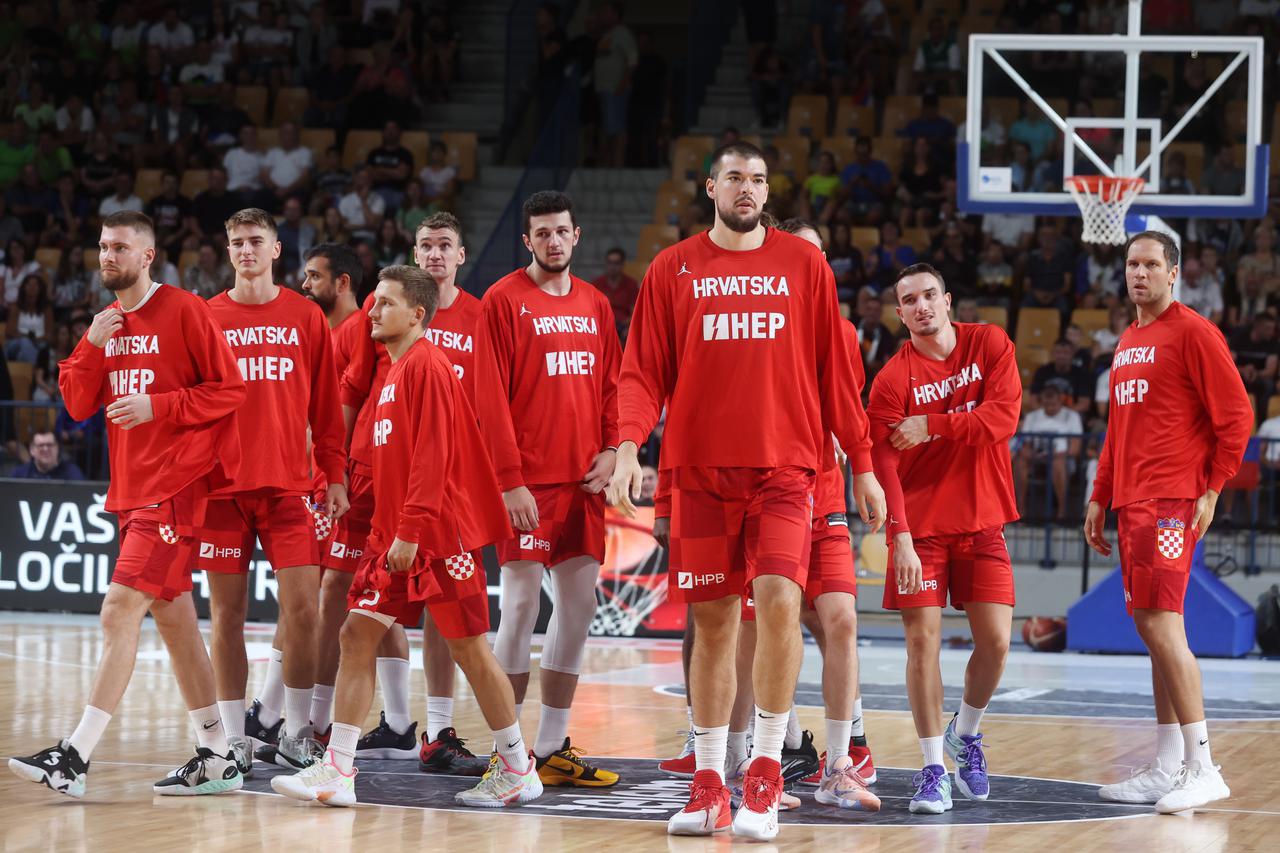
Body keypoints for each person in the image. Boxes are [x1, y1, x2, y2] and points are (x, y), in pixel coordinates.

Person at [606, 142, 884, 841]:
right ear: (710, 187)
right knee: (714, 623)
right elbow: (641, 373)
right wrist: (626, 444)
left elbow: (834, 373)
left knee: (781, 603)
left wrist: (863, 462)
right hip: (699, 473)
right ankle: (709, 781)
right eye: (735, 177)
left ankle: (763, 772)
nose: (747, 188)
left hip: (786, 469)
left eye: (758, 178)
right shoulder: (673, 269)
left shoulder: (804, 264)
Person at [270, 265, 541, 808]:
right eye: (372, 303)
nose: (371, 311)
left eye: (385, 304)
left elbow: (435, 456)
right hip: (395, 540)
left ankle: (517, 765)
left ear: (417, 314)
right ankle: (338, 770)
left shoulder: (428, 366)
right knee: (354, 634)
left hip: (439, 537)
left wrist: (411, 530)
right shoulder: (391, 373)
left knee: (469, 651)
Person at [8, 211, 246, 798]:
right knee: (177, 624)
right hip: (132, 491)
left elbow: (230, 389)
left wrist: (158, 407)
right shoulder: (105, 323)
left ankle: (74, 756)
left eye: (119, 246)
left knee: (118, 609)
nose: (107, 255)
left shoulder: (186, 310)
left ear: (148, 256)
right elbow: (77, 404)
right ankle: (217, 753)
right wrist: (90, 344)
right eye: (101, 246)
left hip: (176, 484)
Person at [1085, 231, 1251, 814]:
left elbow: (1237, 416)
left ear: (1174, 273)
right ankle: (1165, 765)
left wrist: (1211, 489)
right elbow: (1117, 432)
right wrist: (1098, 495)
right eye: (1132, 263)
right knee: (1151, 628)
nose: (1140, 273)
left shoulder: (1194, 332)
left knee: (1162, 626)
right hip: (1132, 500)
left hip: (1171, 500)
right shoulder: (1129, 338)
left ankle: (1203, 765)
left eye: (1152, 264)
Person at [474, 190, 623, 790]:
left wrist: (614, 449)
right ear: (527, 241)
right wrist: (508, 481)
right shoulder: (503, 300)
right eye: (542, 233)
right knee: (518, 608)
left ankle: (552, 744)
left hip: (584, 481)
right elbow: (489, 398)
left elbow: (615, 384)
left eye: (562, 231)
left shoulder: (595, 303)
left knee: (580, 608)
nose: (553, 241)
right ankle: (507, 754)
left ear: (576, 235)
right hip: (528, 484)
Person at [867, 262, 1021, 816]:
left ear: (948, 300)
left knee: (998, 643)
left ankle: (967, 732)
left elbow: (1001, 420)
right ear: (900, 312)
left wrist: (933, 423)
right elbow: (884, 466)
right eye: (909, 300)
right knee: (921, 644)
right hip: (922, 533)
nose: (921, 306)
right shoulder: (890, 381)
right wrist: (899, 537)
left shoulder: (991, 345)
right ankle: (933, 767)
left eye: (929, 295)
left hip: (983, 522)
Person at [198, 208, 348, 779]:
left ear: (276, 248)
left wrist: (333, 475)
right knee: (226, 617)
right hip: (222, 491)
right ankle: (234, 739)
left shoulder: (306, 317)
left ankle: (296, 732)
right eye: (236, 242)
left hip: (290, 489)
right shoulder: (206, 316)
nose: (245, 251)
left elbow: (326, 412)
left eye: (255, 241)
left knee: (305, 612)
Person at [353, 212, 490, 775]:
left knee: (461, 637)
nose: (435, 254)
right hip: (391, 494)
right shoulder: (386, 335)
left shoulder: (475, 321)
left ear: (461, 255)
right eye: (425, 246)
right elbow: (356, 390)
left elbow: (492, 409)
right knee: (357, 625)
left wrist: (506, 481)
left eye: (445, 246)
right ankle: (386, 732)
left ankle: (450, 733)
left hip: (444, 504)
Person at [293, 241, 364, 748]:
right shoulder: (321, 330)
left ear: (341, 282)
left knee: (329, 596)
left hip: (341, 481)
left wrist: (329, 474)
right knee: (345, 599)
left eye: (314, 276)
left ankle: (304, 717)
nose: (304, 284)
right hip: (326, 477)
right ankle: (295, 714)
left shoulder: (357, 330)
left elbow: (340, 417)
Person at [1014, 379, 1085, 520]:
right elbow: (1025, 445)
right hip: (1037, 458)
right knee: (1019, 463)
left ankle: (1062, 512)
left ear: (1061, 400)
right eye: (1047, 404)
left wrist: (1058, 454)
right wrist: (1029, 453)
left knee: (1058, 464)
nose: (1050, 408)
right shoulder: (1032, 417)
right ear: (1042, 401)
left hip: (1062, 458)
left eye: (1054, 404)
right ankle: (1020, 510)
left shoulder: (1072, 416)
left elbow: (1075, 449)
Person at [590, 246, 640, 339]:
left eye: (616, 263)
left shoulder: (631, 284)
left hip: (623, 326)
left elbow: (636, 311)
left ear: (622, 264)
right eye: (610, 263)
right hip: (602, 325)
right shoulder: (596, 284)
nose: (613, 267)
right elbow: (591, 310)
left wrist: (629, 326)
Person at [9, 430, 84, 479]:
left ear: (57, 448)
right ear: (32, 450)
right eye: (40, 445)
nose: (45, 449)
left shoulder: (72, 473)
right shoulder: (19, 474)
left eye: (50, 445)